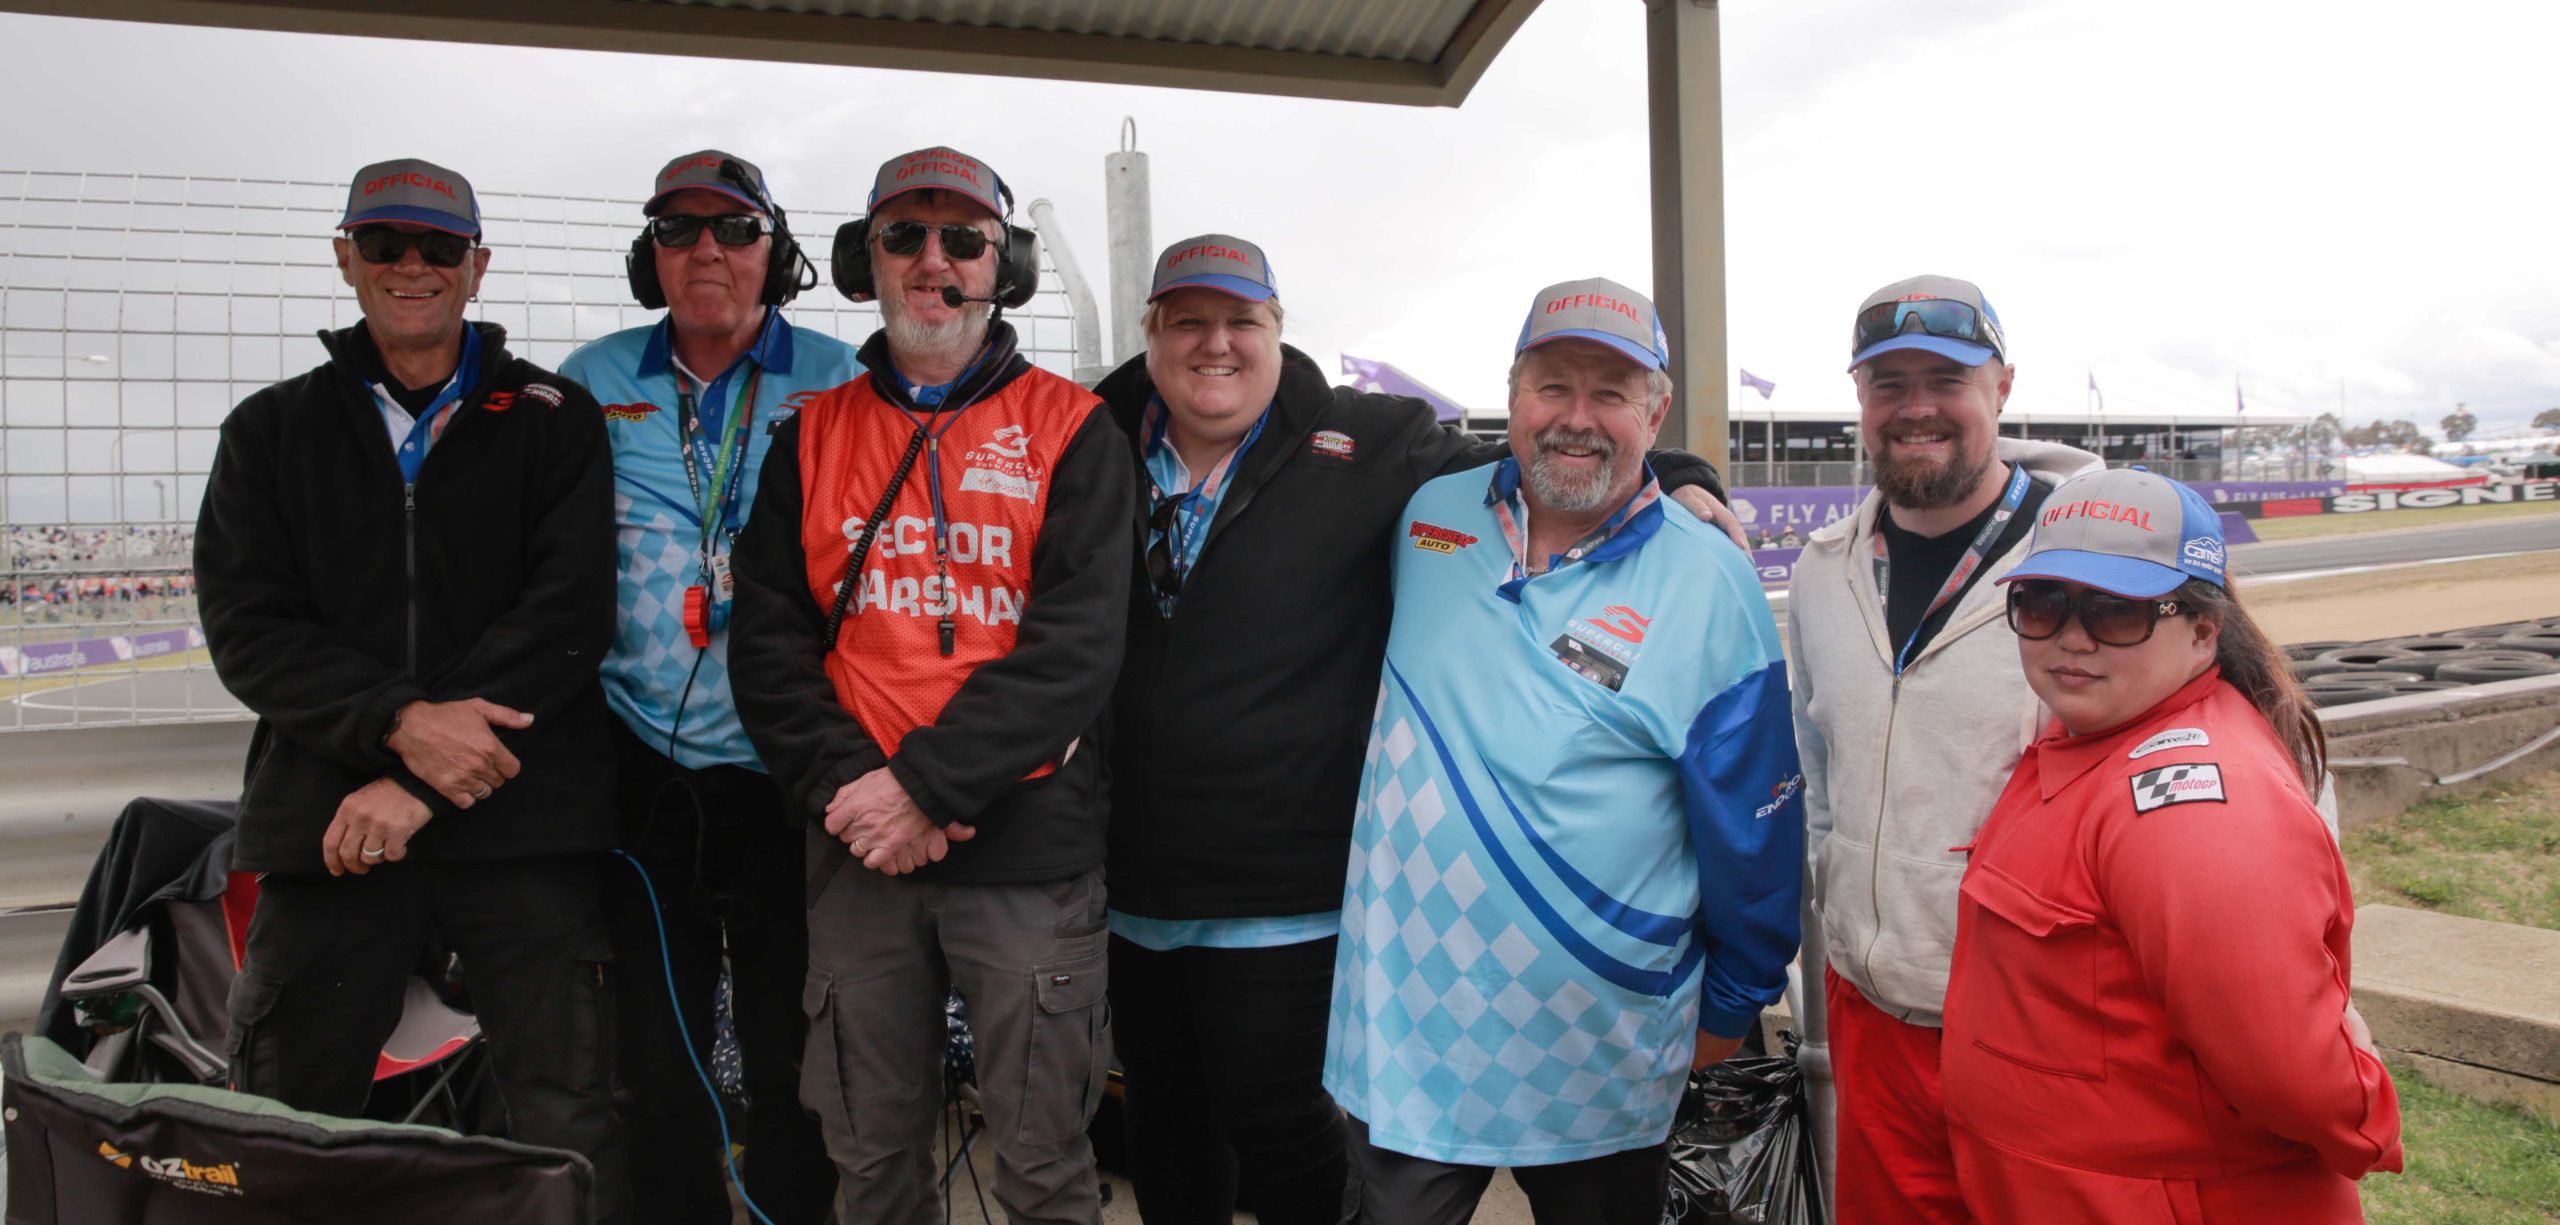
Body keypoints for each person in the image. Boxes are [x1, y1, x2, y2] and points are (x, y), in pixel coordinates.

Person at [1095, 241, 1735, 1224]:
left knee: (1284, 1129)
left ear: (1277, 331)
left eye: (1240, 321)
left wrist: (1679, 472)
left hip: (1289, 899)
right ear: (1150, 336)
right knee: (1166, 1133)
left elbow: (1537, 456)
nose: (1214, 344)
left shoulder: (1367, 440)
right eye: (1186, 321)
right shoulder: (1086, 436)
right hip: (1130, 887)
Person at [193, 158, 627, 1222]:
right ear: (346, 258)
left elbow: (570, 616)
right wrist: (398, 725)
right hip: (333, 828)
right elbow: (249, 630)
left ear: (478, 267)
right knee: (289, 1123)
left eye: (440, 247)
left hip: (523, 826)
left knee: (569, 1120)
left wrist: (422, 782)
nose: (412, 265)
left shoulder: (556, 415)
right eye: (386, 243)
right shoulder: (268, 429)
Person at [1322, 278, 1803, 1223]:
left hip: (1603, 1044)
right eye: (1552, 387)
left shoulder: (1712, 576)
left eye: (1610, 392)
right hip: (1410, 1029)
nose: (1576, 418)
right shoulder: (1427, 517)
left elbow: (1756, 825)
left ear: (1655, 412)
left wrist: (1734, 1000)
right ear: (1512, 396)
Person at [729, 145, 1133, 1223]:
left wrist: (923, 789)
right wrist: (856, 792)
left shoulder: (1074, 427)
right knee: (872, 1167)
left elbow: (1076, 648)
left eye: (964, 239)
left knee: (1044, 1169)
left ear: (1007, 267)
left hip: (1027, 854)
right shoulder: (809, 435)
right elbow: (766, 647)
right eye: (903, 236)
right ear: (864, 259)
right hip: (859, 847)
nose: (933, 260)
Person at [1944, 467, 2402, 1220]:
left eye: (2117, 611)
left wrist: (2365, 1113)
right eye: (2044, 602)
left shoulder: (2192, 806)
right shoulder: (2091, 736)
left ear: (2201, 630)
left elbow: (2288, 1069)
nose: (2073, 638)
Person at [556, 150, 857, 1225]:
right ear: (651, 257)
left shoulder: (843, 377)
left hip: (793, 767)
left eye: (734, 230)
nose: (707, 252)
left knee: (793, 1054)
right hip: (644, 761)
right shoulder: (590, 380)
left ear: (779, 255)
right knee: (656, 1053)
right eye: (678, 231)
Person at [1784, 274, 2097, 1223]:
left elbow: (2243, 760)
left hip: (2050, 1028)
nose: (1915, 407)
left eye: (1946, 379)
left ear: (2002, 386)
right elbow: (1820, 787)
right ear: (1860, 398)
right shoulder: (1822, 570)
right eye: (1889, 384)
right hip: (1873, 1013)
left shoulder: (2101, 560)